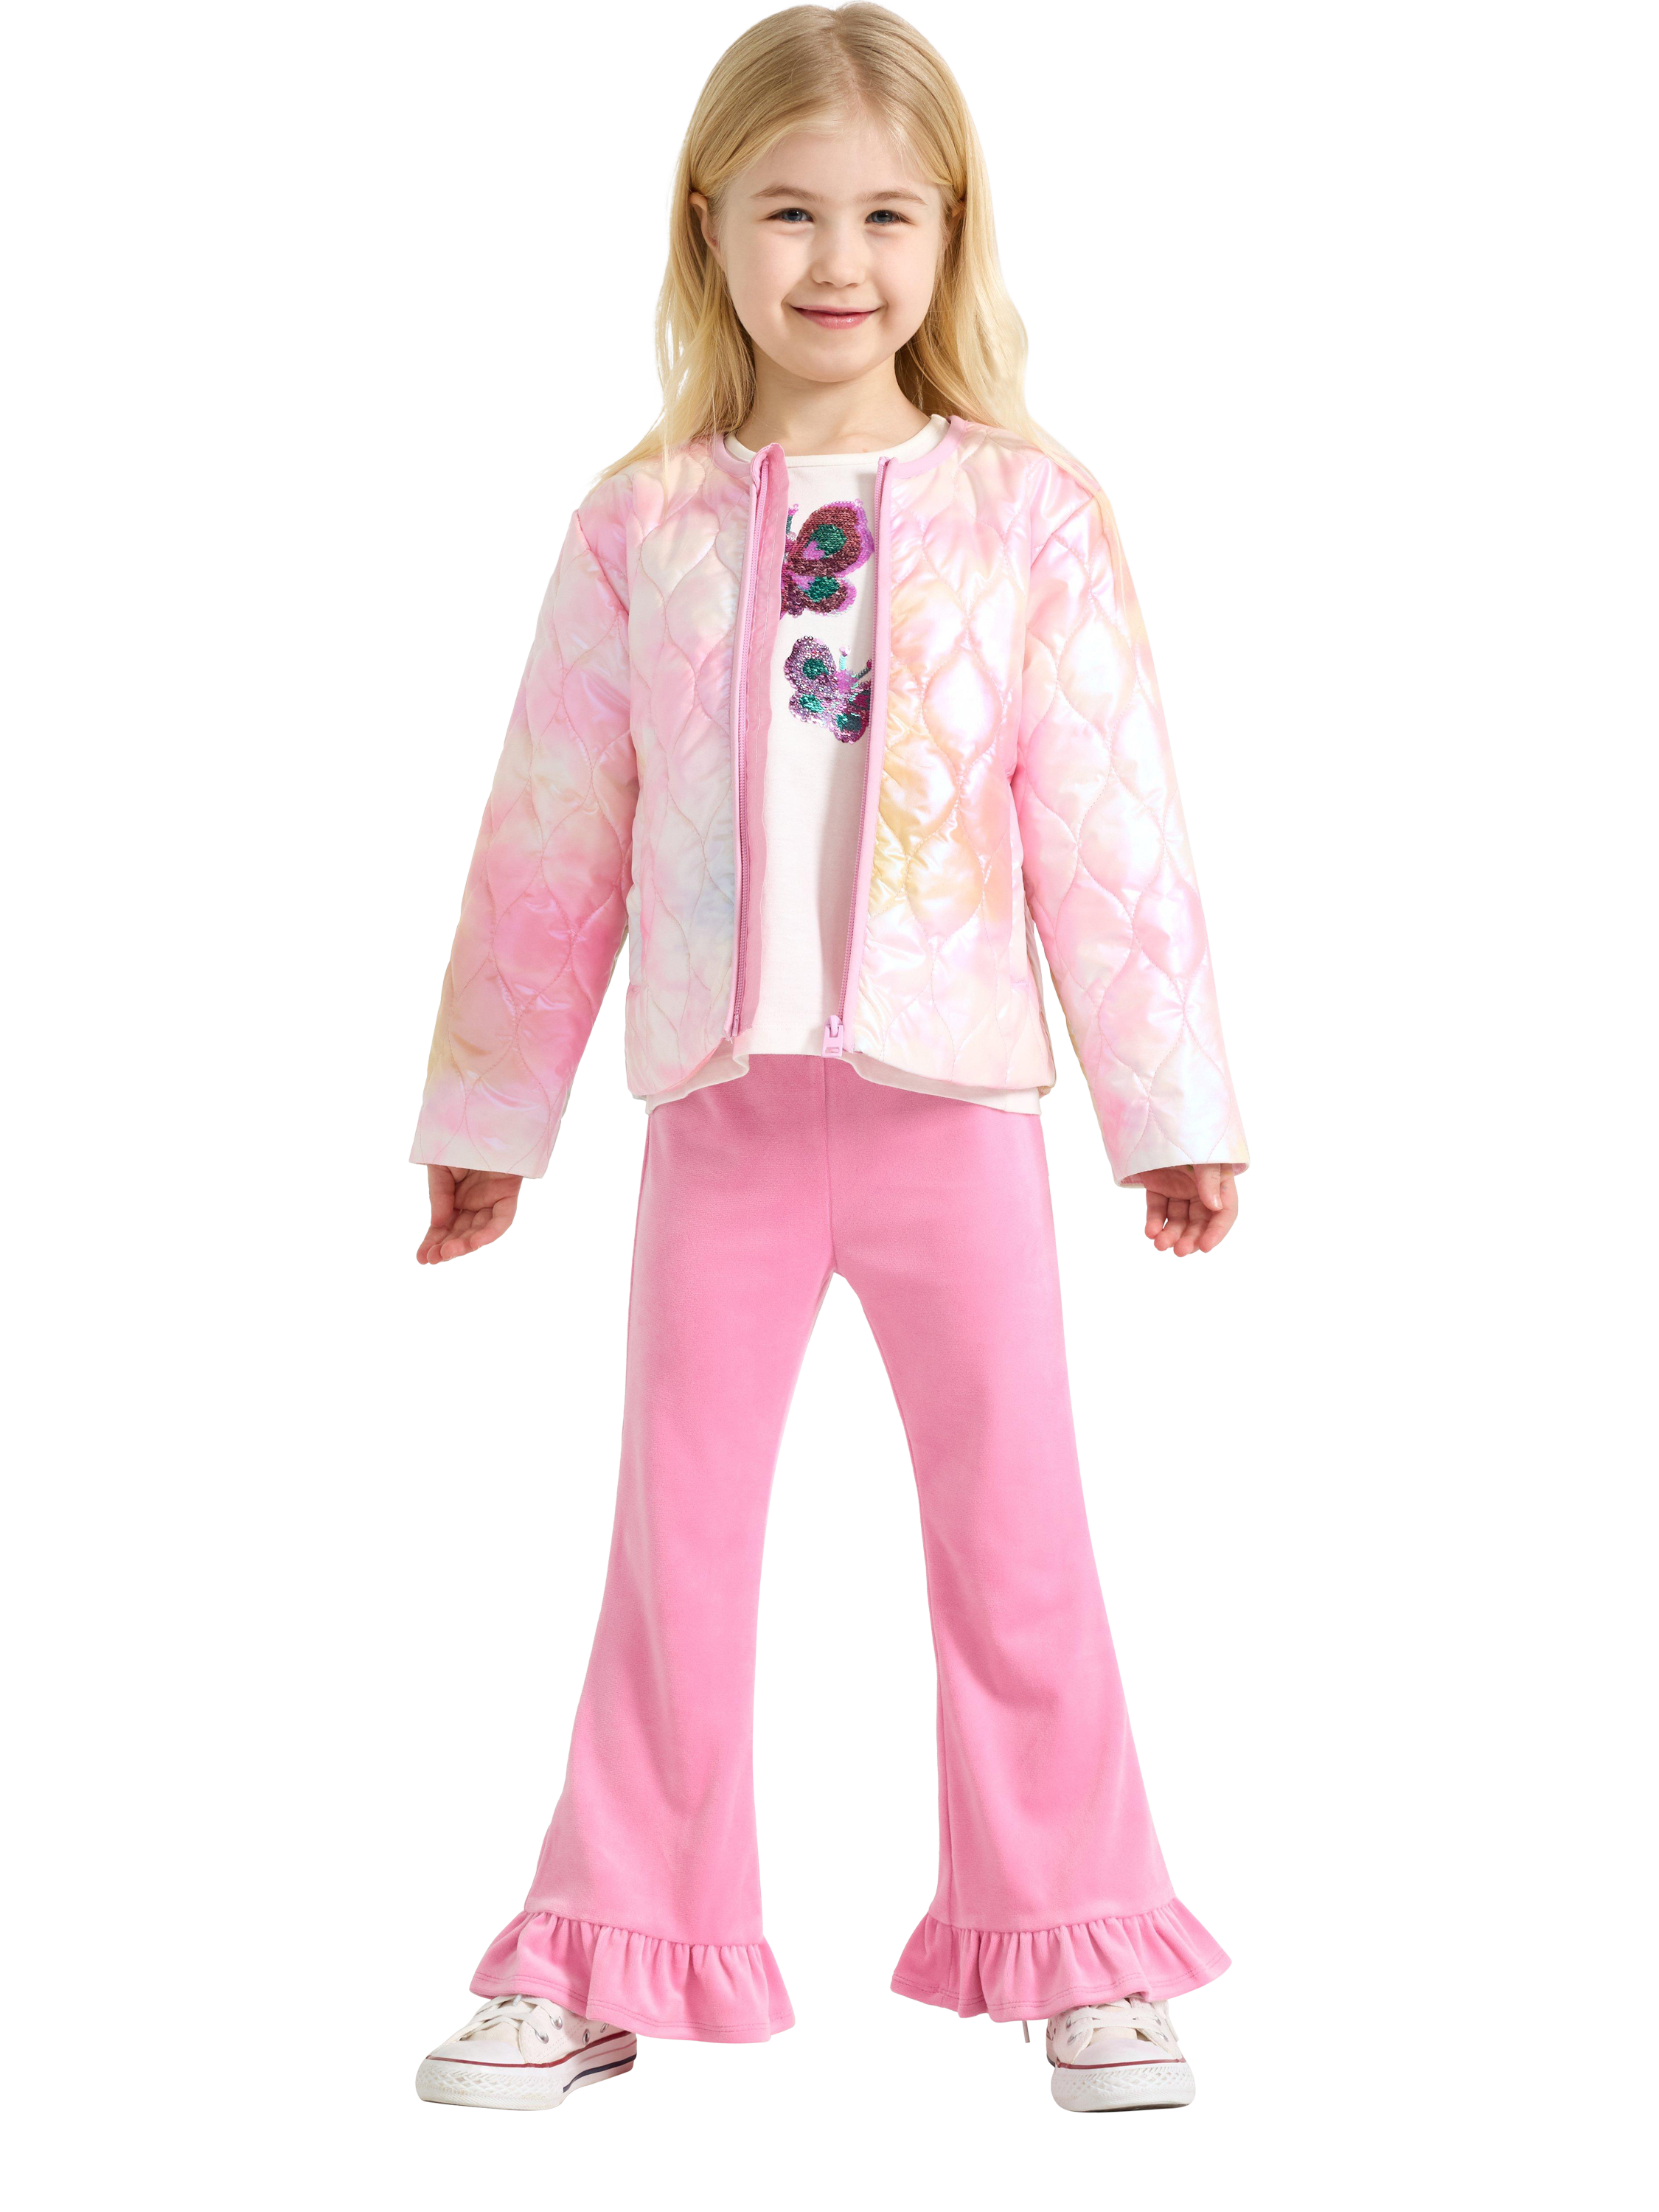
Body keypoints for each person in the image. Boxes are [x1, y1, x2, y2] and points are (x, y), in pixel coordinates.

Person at [408, 2, 1248, 2119]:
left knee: (1018, 1537)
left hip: (952, 1119)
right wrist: (492, 1119)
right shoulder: (645, 527)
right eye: (790, 212)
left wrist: (1167, 1114)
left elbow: (1110, 827)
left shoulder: (1032, 517)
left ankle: (1080, 1937)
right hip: (726, 1127)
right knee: (674, 1550)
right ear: (709, 226)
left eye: (887, 213)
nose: (839, 258)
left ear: (953, 234)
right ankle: (612, 1942)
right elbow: (548, 839)